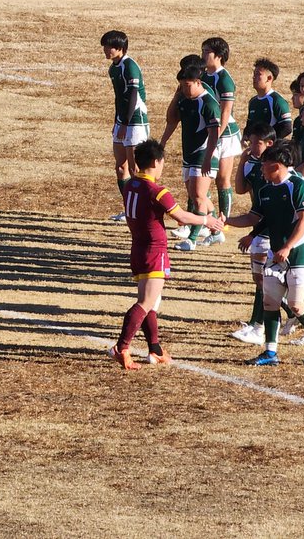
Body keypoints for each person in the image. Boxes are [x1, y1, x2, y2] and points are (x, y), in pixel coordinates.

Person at [108, 139, 224, 370]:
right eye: (162, 162)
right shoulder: (158, 191)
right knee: (146, 302)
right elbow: (181, 216)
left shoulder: (130, 185)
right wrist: (207, 220)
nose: (163, 166)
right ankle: (121, 347)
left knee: (152, 302)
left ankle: (155, 349)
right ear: (155, 162)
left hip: (138, 248)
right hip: (154, 250)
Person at [226, 140, 304, 366]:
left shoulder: (299, 186)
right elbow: (254, 219)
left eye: (264, 165)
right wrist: (224, 221)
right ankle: (270, 352)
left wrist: (288, 246)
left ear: (276, 165)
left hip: (300, 254)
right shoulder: (265, 190)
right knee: (270, 303)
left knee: (296, 304)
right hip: (276, 255)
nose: (260, 170)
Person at [159, 62, 221, 252]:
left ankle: (192, 239)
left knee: (199, 196)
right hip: (189, 155)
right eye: (182, 85)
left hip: (203, 154)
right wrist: (162, 143)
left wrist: (208, 158)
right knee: (196, 197)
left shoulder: (208, 103)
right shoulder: (184, 99)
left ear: (197, 82)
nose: (185, 89)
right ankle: (217, 230)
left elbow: (214, 134)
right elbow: (171, 121)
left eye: (187, 85)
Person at [230, 124, 277, 344]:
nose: (253, 147)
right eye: (250, 142)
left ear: (270, 144)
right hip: (258, 228)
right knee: (260, 281)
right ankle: (256, 323)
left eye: (257, 142)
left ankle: (260, 327)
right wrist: (241, 163)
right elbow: (240, 189)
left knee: (266, 282)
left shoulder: (277, 168)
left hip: (268, 230)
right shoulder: (252, 165)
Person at [101, 30, 148, 220]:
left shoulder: (130, 67)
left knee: (136, 169)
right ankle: (130, 208)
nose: (105, 50)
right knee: (121, 168)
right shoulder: (113, 68)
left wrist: (125, 123)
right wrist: (116, 122)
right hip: (122, 121)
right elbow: (118, 99)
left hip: (135, 121)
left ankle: (142, 211)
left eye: (109, 46)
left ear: (120, 48)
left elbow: (133, 97)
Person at [201, 36, 240, 237]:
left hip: (225, 135)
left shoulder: (224, 79)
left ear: (218, 56)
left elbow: (226, 112)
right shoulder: (201, 75)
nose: (203, 54)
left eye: (207, 51)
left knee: (222, 180)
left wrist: (216, 134)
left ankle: (223, 222)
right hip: (210, 132)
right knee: (203, 177)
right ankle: (210, 220)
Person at [245, 58, 292, 140]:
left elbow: (287, 127)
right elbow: (249, 125)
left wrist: (268, 142)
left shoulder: (277, 101)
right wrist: (245, 137)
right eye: (254, 74)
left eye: (258, 74)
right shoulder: (253, 101)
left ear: (269, 78)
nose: (253, 77)